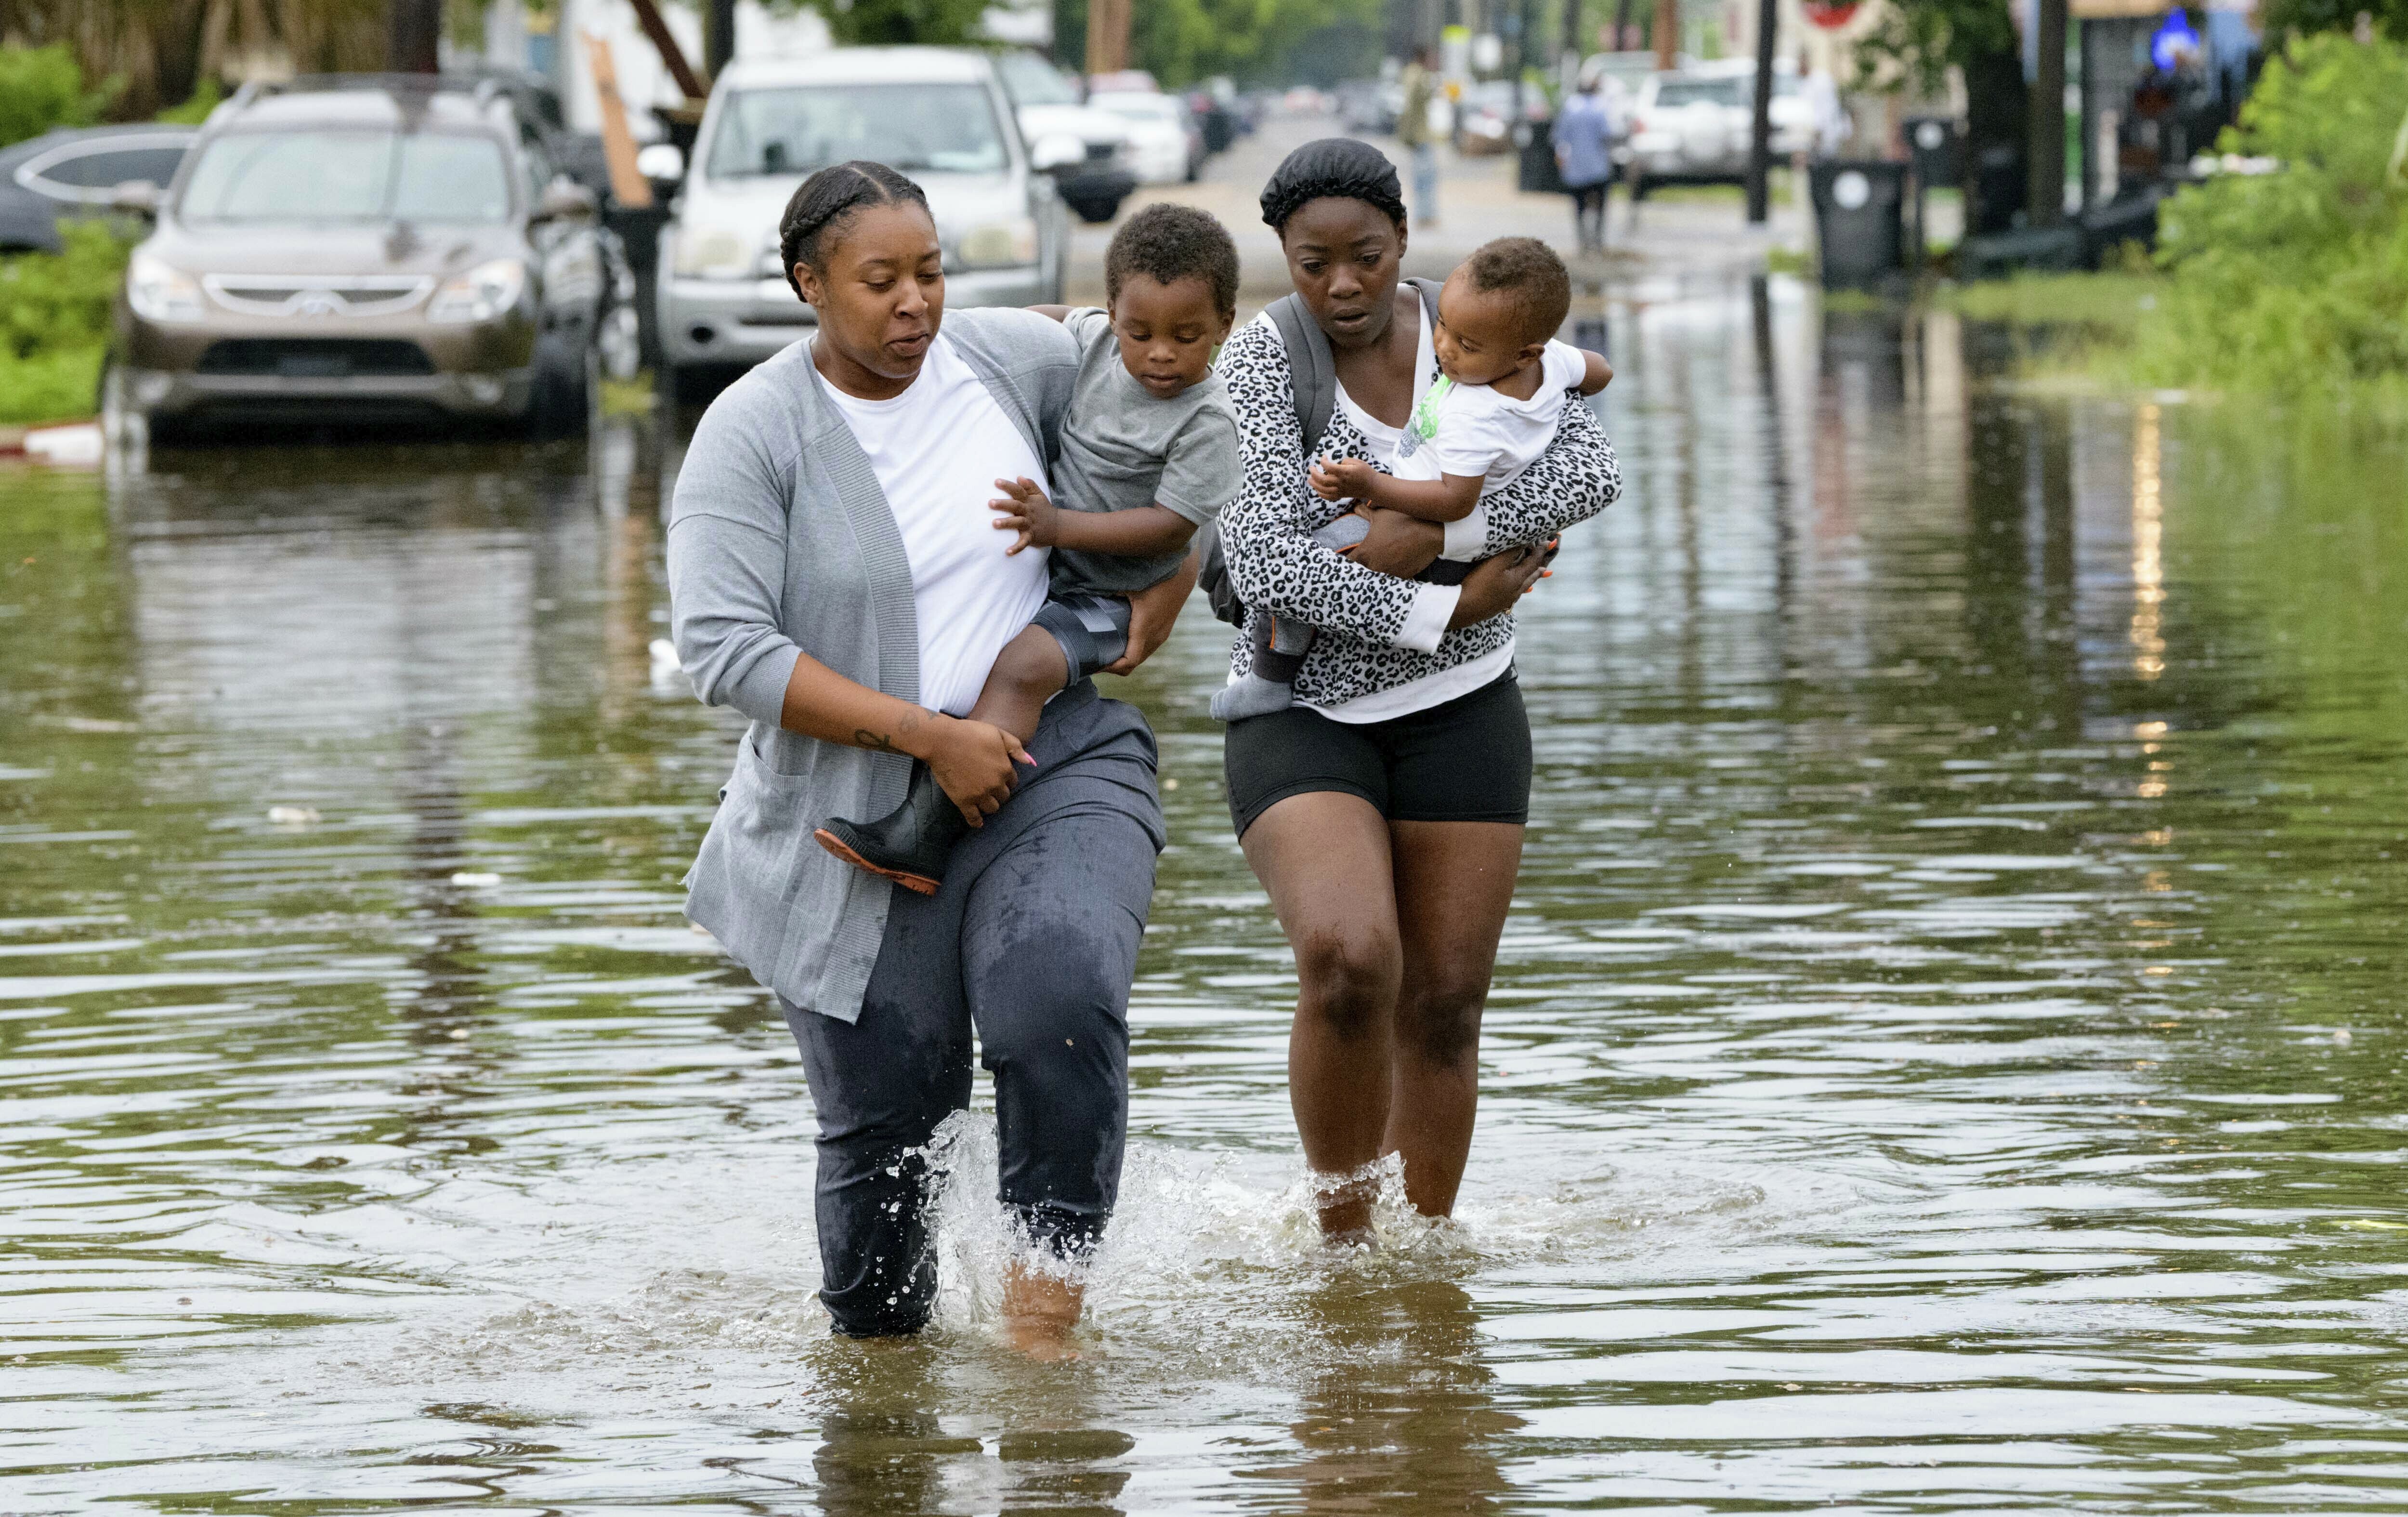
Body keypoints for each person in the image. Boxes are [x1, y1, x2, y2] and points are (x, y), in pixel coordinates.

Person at [667, 161, 1194, 1357]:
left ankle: (1045, 1340)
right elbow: (723, 649)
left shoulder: (1020, 358)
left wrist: (1166, 576)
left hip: (1053, 756)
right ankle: (881, 1415)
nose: (916, 303)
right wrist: (926, 735)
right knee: (884, 1141)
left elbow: (1182, 396)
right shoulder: (753, 434)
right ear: (809, 285)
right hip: (852, 815)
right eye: (880, 280)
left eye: (932, 272)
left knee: (1056, 1003)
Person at [1211, 139, 1622, 1239]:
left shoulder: (1475, 326)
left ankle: (1421, 1263)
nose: (1343, 284)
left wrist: (1416, 528)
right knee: (1350, 962)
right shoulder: (1262, 364)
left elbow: (1588, 472)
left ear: (1403, 232)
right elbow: (1259, 565)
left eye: (1367, 255)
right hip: (1300, 707)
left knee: (1442, 1004)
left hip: (1467, 707)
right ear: (1284, 260)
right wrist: (1448, 600)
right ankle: (1345, 1251)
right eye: (1312, 263)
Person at [814, 203, 1241, 893]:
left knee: (1021, 668)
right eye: (1140, 332)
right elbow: (1035, 320)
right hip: (1054, 566)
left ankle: (930, 830)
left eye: (1188, 337)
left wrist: (1057, 526)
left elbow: (1169, 526)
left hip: (1112, 592)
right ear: (1110, 313)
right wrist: (945, 330)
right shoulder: (1098, 343)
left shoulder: (1206, 419)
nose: (1160, 354)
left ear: (1225, 325)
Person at [1215, 238, 1611, 722]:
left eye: (1466, 345)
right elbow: (1598, 370)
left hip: (1419, 515)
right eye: (1443, 325)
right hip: (1467, 543)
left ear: (1525, 352)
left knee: (1307, 570)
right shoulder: (1550, 364)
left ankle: (1270, 677)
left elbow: (1454, 501)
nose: (1443, 347)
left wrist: (1371, 486)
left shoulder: (1473, 412)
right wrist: (1555, 389)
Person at [1554, 71, 1616, 253]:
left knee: (1579, 204)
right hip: (1598, 166)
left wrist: (1561, 160)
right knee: (1601, 203)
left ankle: (1582, 239)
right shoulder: (1600, 109)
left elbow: (1560, 138)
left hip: (1576, 167)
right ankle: (1598, 238)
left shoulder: (1570, 109)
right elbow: (1607, 136)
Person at [1396, 46, 1441, 228]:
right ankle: (1425, 216)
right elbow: (1412, 106)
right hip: (1419, 135)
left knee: (1422, 175)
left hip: (1417, 134)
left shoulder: (1410, 74)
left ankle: (1425, 215)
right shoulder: (1419, 77)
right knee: (1426, 176)